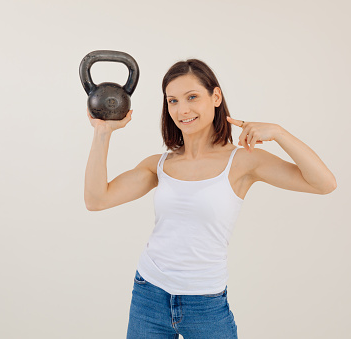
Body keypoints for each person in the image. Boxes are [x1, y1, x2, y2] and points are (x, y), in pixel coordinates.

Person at [84, 59, 337, 338]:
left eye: (192, 97)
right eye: (173, 101)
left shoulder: (242, 162)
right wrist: (102, 132)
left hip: (205, 303)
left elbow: (324, 183)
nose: (182, 110)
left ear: (215, 97)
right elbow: (97, 199)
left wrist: (279, 132)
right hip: (149, 294)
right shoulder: (159, 164)